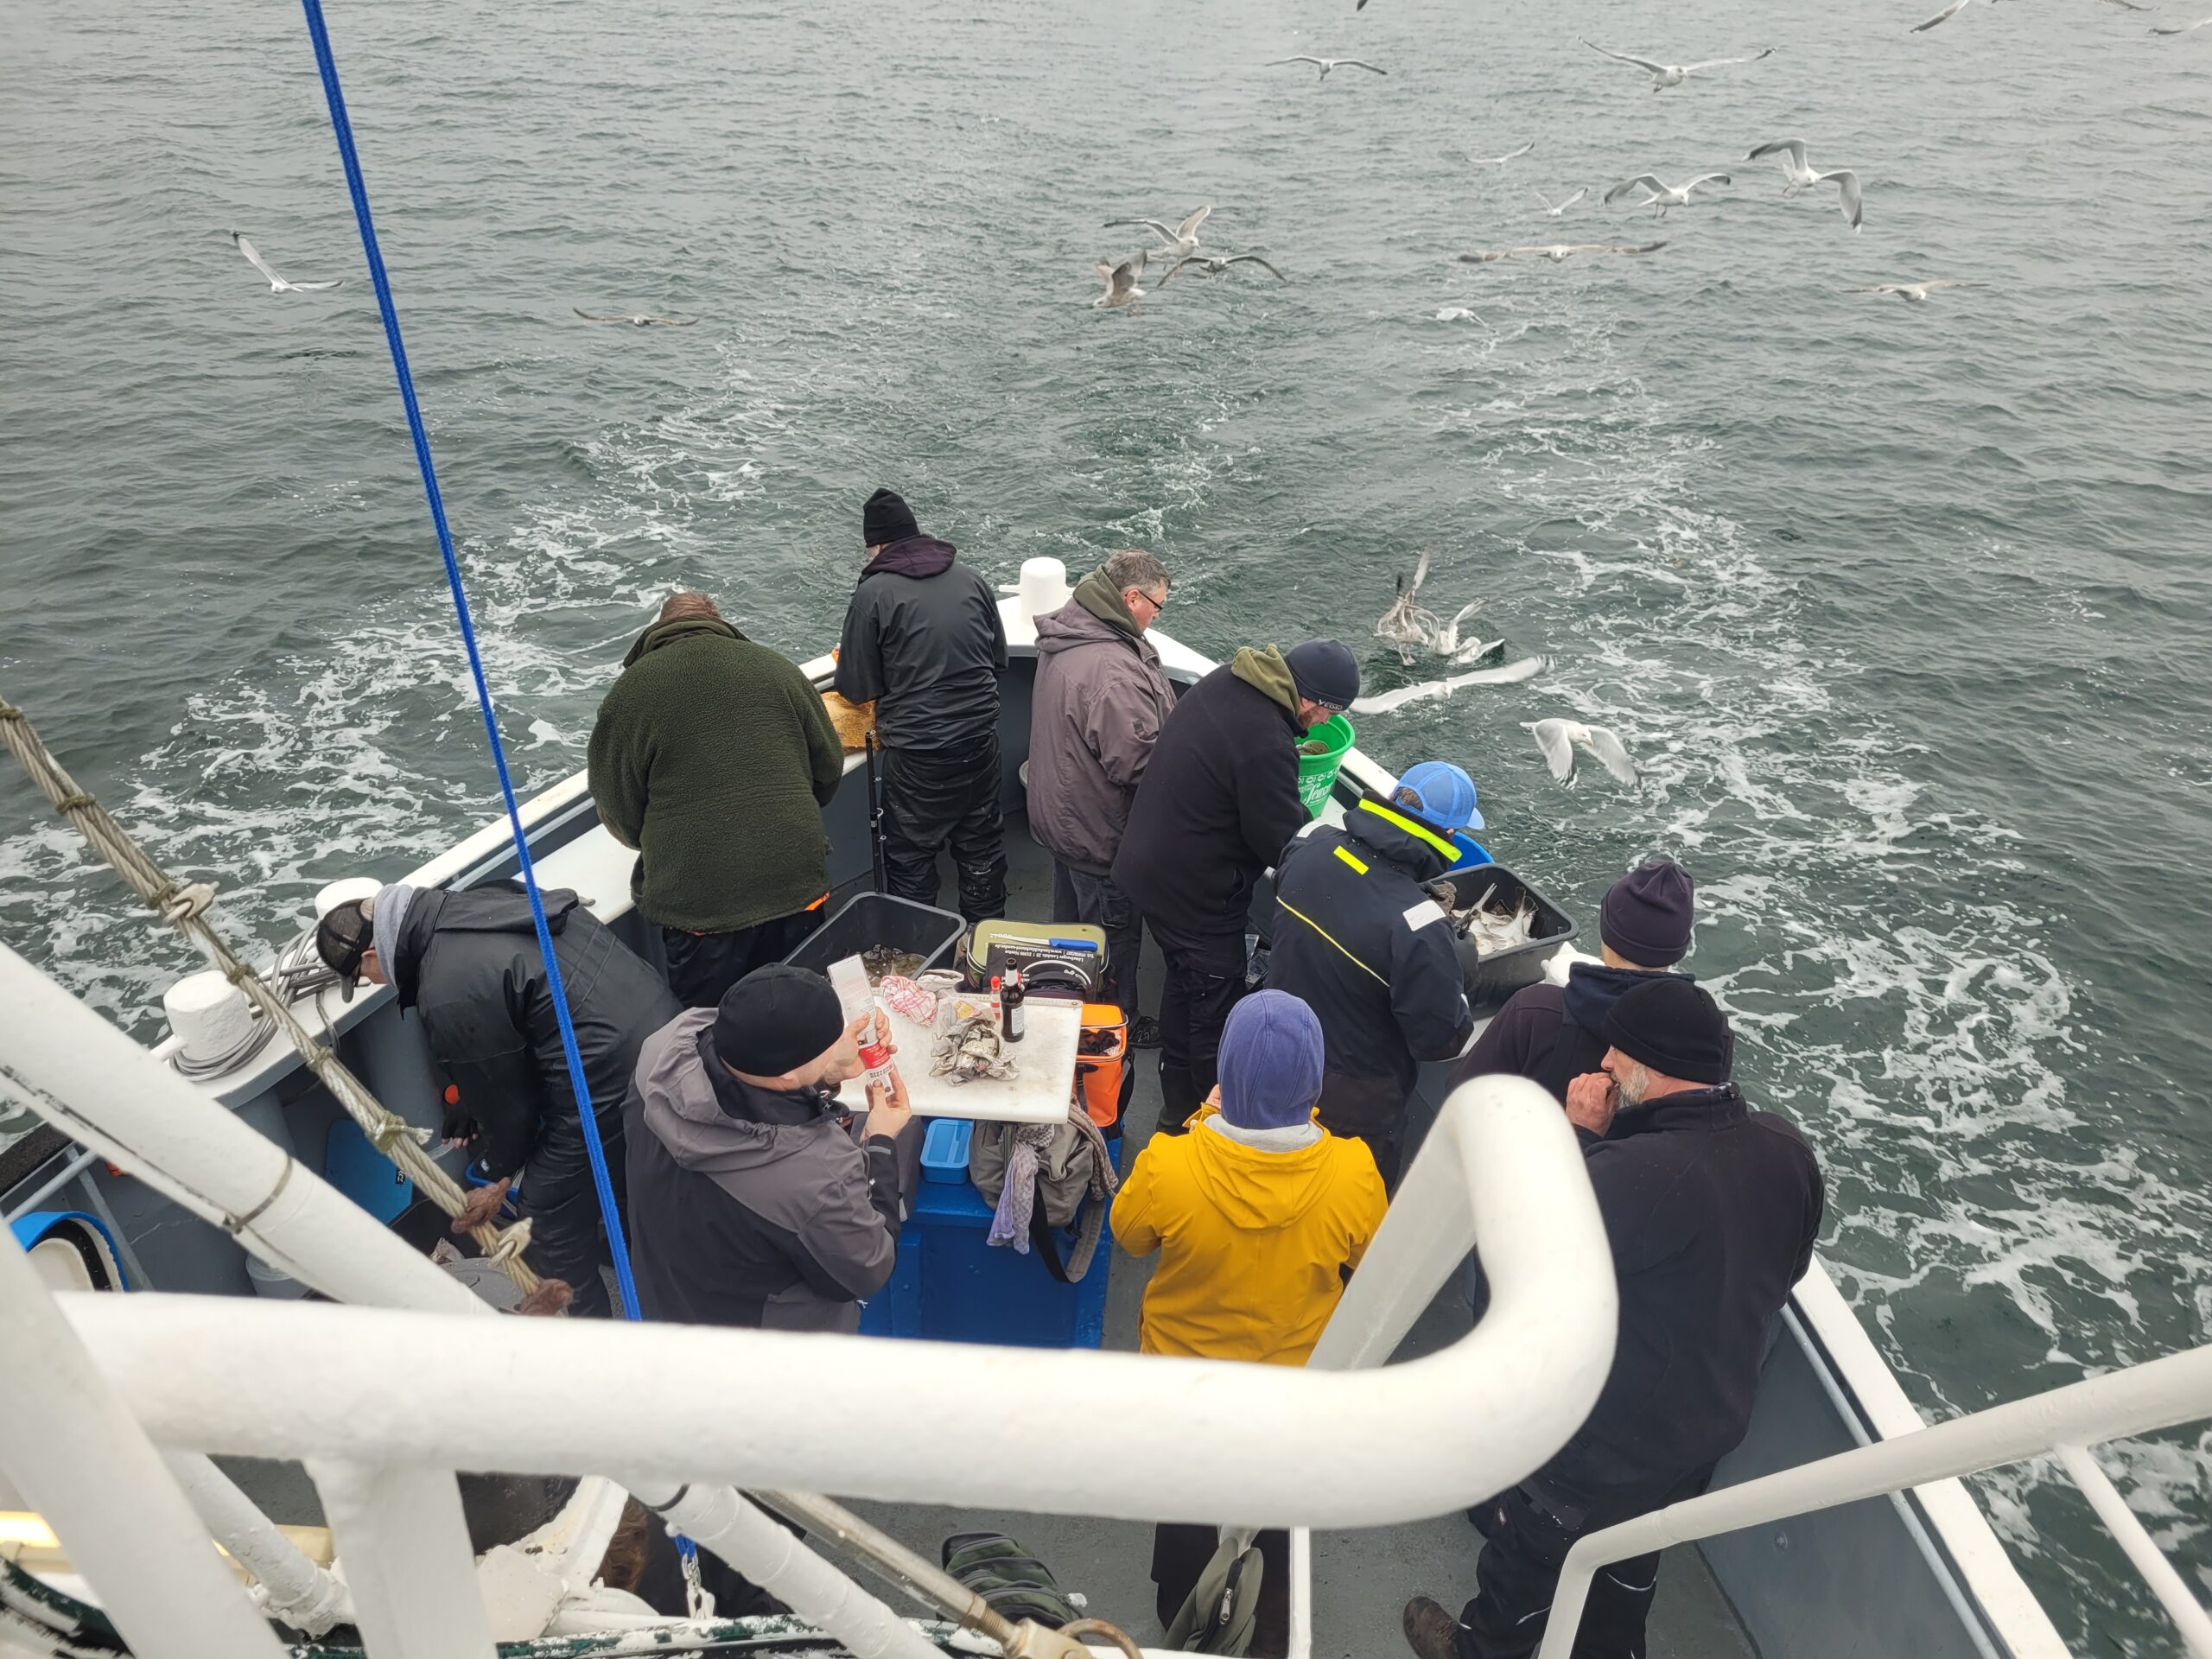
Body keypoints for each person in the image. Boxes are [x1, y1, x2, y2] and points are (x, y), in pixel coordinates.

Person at [1402, 977, 1825, 1659]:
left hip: (1599, 1446)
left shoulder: (1634, 1172)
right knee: (1628, 1563)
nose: (1602, 1061)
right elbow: (1785, 1272)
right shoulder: (1787, 1152)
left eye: (1617, 1053)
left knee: (1526, 1568)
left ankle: (1480, 1650)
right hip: (1706, 1430)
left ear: (1652, 1069)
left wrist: (1577, 1135)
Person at [1110, 990, 1387, 1659]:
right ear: (1313, 1081)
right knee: (1277, 1508)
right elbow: (1371, 1259)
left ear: (1226, 1073)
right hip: (1292, 1394)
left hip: (1184, 1391)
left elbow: (1129, 1234)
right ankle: (1268, 1620)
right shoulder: (1352, 1170)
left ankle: (1180, 1607)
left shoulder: (1171, 1163)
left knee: (1186, 1501)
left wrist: (1202, 1120)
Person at [315, 880, 679, 1318]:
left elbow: (514, 1118)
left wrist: (493, 1174)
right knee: (625, 1183)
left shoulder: (446, 990)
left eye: (363, 976)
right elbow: (517, 1024)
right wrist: (470, 1103)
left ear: (373, 955)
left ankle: (593, 1334)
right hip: (662, 1028)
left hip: (611, 1078)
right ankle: (657, 1271)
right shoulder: (476, 899)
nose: (372, 982)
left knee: (545, 1214)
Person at [1114, 638, 1360, 1128]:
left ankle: (1175, 1104)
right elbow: (1278, 840)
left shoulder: (1229, 679)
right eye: (1328, 712)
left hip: (1149, 871)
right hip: (1195, 899)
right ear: (1309, 699)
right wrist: (1334, 861)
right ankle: (1206, 1122)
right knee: (1213, 1007)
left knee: (1185, 985)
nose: (1324, 723)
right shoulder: (1266, 742)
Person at [588, 591, 847, 1010]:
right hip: (796, 880)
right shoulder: (778, 668)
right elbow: (828, 770)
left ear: (658, 631)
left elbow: (617, 808)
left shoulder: (629, 693)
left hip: (699, 906)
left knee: (712, 1026)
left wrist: (655, 842)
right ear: (720, 623)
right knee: (803, 1010)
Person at [622, 963, 915, 1331]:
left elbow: (753, 1084)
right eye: (829, 1043)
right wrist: (880, 1142)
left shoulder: (658, 1055)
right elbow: (867, 1267)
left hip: (665, 1294)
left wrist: (822, 1074)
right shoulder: (815, 1175)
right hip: (762, 1344)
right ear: (788, 1074)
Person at [1265, 761, 1481, 1187]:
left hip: (1276, 1047)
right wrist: (1461, 965)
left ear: (1394, 798)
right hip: (1353, 1102)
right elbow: (1441, 1039)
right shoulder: (1420, 928)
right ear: (1450, 834)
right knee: (1350, 1204)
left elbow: (1318, 886)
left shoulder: (1312, 840)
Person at [833, 487, 1009, 923]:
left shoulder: (873, 594)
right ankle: (986, 939)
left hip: (919, 757)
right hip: (980, 744)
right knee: (981, 848)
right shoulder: (971, 578)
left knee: (910, 857)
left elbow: (855, 688)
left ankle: (918, 943)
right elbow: (998, 661)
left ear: (876, 546)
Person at [1026, 550, 1177, 1039]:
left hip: (1065, 823)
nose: (1157, 615)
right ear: (1132, 599)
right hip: (1100, 836)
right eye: (1157, 605)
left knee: (1070, 931)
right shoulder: (1112, 673)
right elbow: (1137, 765)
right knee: (1111, 943)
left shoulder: (1071, 630)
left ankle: (1061, 1005)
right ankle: (1114, 1028)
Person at [1454, 858, 1697, 1106]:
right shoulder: (1698, 1040)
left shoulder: (1534, 1010)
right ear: (1678, 950)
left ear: (1605, 933)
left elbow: (1461, 1095)